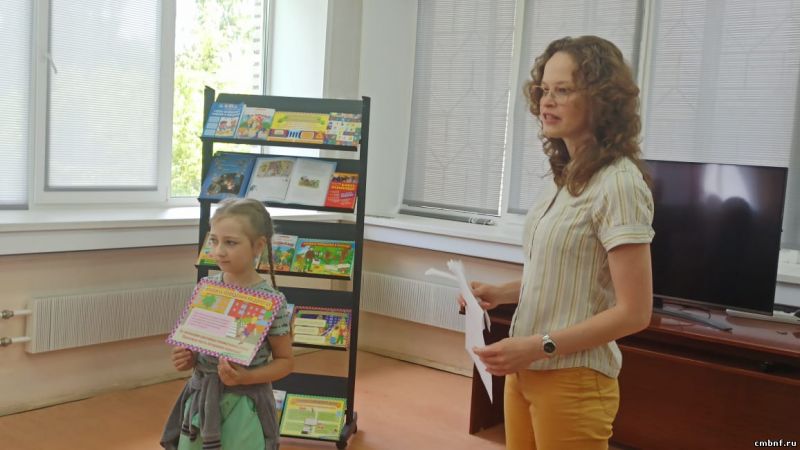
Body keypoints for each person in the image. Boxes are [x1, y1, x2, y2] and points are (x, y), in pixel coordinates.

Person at [464, 36, 655, 450]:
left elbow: (635, 312)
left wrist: (538, 346)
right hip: (527, 371)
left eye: (563, 90)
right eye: (544, 90)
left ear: (601, 100)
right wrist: (501, 293)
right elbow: (566, 275)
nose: (546, 102)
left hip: (574, 380)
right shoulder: (567, 176)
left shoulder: (619, 184)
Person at [161, 198, 293, 450]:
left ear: (258, 246)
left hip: (244, 406)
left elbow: (285, 361)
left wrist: (247, 377)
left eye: (230, 242)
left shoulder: (271, 301)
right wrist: (187, 358)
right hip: (200, 401)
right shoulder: (207, 290)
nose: (219, 251)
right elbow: (197, 350)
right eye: (214, 240)